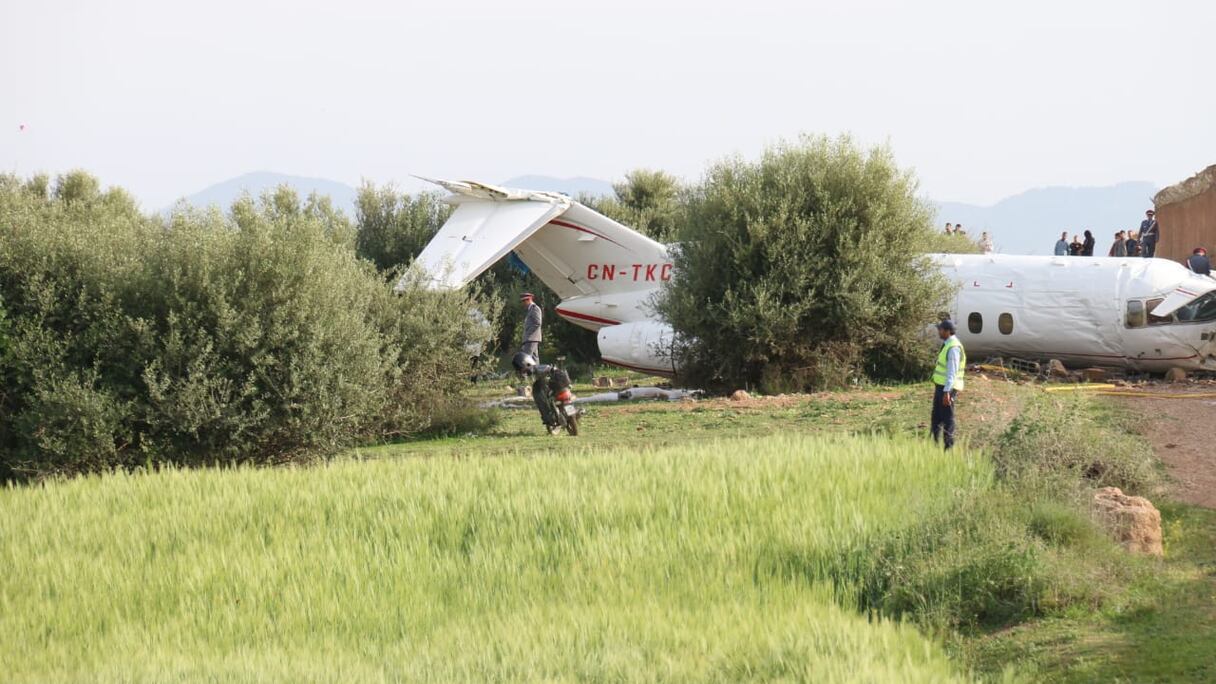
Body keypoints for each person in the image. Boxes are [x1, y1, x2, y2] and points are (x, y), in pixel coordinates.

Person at [930, 319, 965, 450]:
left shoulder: (953, 347)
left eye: (940, 329)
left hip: (947, 389)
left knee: (947, 418)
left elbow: (952, 371)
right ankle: (933, 445)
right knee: (936, 417)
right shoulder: (947, 344)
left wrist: (947, 392)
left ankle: (948, 448)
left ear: (947, 331)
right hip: (941, 387)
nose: (939, 331)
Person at [520, 292, 542, 361]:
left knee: (526, 358)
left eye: (524, 301)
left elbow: (538, 323)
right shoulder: (530, 310)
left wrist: (528, 335)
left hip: (531, 338)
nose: (523, 303)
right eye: (522, 301)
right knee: (534, 359)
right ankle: (537, 368)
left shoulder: (535, 308)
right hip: (531, 339)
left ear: (529, 299)